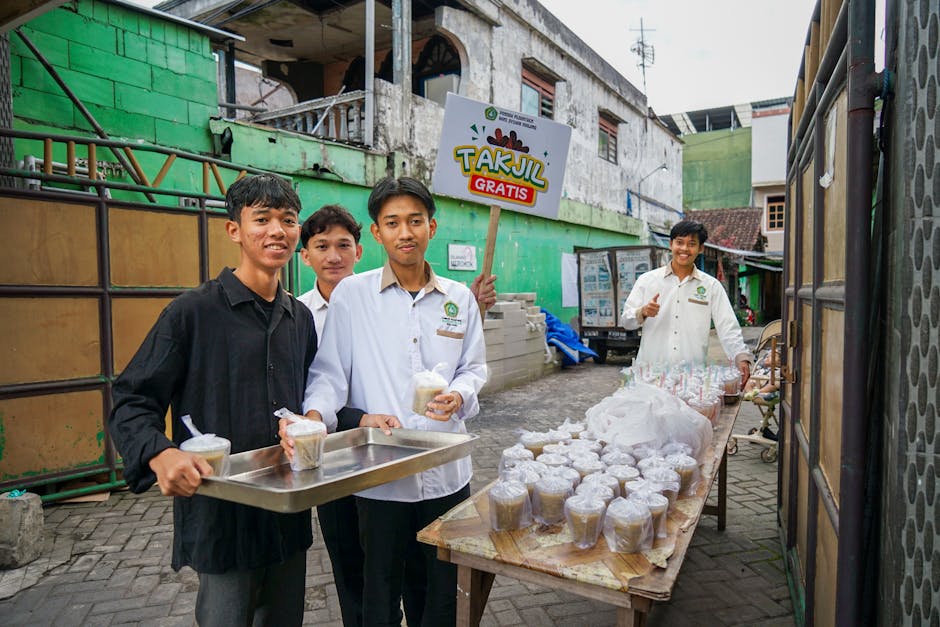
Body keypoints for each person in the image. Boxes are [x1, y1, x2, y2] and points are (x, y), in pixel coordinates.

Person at [108, 174, 316, 627]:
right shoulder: (192, 313)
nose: (277, 230)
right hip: (222, 517)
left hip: (286, 513)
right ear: (234, 230)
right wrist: (159, 452)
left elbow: (312, 396)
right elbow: (130, 399)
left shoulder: (299, 318)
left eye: (288, 220)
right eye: (262, 219)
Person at [283, 176, 487, 626]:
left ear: (432, 226)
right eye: (392, 222)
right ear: (376, 234)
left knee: (439, 600)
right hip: (380, 480)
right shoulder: (353, 297)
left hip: (447, 475)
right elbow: (329, 375)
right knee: (377, 597)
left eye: (415, 220)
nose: (405, 232)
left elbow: (474, 368)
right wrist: (314, 418)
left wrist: (460, 394)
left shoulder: (458, 299)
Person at [621, 219, 752, 384]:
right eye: (679, 242)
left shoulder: (711, 286)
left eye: (691, 244)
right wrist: (643, 312)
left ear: (700, 248)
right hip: (650, 376)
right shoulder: (647, 281)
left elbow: (728, 326)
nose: (684, 249)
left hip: (691, 379)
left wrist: (740, 356)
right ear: (671, 244)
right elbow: (626, 321)